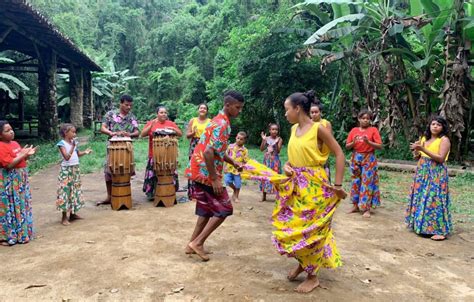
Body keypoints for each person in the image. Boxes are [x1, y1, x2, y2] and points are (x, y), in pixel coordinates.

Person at [241, 90, 347, 293]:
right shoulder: (292, 130)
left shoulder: (319, 128)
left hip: (315, 186)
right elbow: (293, 158)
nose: (285, 113)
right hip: (295, 186)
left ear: (297, 108)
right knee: (294, 226)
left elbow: (339, 153)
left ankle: (312, 276)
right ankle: (302, 262)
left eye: (286, 109)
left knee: (312, 229)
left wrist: (339, 186)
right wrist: (288, 166)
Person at [184, 90, 245, 261]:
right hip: (206, 172)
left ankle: (191, 244)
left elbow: (217, 150)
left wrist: (233, 162)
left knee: (205, 210)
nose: (239, 111)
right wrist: (214, 178)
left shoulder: (217, 121)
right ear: (227, 105)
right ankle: (198, 243)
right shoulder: (222, 125)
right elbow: (209, 152)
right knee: (225, 209)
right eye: (237, 107)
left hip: (198, 169)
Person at [406, 116, 452, 241]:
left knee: (434, 198)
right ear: (429, 126)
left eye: (438, 125)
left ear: (443, 127)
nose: (435, 126)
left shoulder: (444, 140)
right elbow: (418, 157)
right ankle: (421, 226)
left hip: (436, 172)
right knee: (421, 197)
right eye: (433, 124)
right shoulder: (424, 139)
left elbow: (441, 158)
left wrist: (423, 149)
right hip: (422, 171)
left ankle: (440, 230)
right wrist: (416, 150)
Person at [98, 95, 139, 206]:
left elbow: (137, 132)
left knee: (125, 171)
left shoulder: (132, 117)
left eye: (130, 105)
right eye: (126, 105)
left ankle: (123, 195)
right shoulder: (110, 114)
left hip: (126, 148)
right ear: (120, 103)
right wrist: (111, 133)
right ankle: (109, 196)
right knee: (109, 171)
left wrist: (129, 134)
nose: (129, 107)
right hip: (112, 146)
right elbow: (102, 128)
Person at [0, 120, 36, 246]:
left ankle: (22, 232)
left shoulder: (15, 143)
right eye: (7, 130)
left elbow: (20, 158)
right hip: (10, 181)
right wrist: (23, 154)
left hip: (21, 179)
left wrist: (27, 154)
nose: (11, 132)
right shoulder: (1, 146)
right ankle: (10, 235)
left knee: (21, 204)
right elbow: (9, 164)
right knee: (11, 206)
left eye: (11, 129)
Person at [140, 106, 183, 200]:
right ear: (157, 114)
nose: (164, 114)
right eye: (161, 112)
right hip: (154, 154)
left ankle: (169, 190)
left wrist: (174, 129)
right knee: (154, 173)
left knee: (167, 174)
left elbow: (180, 134)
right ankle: (152, 193)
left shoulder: (171, 123)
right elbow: (142, 134)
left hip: (168, 156)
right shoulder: (152, 123)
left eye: (165, 113)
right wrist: (151, 126)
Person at [345, 109, 382, 218]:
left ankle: (366, 208)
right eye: (363, 118)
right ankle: (355, 205)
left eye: (368, 119)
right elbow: (347, 146)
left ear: (370, 120)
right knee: (356, 181)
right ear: (359, 119)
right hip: (356, 157)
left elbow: (379, 146)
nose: (365, 120)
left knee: (367, 182)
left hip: (369, 157)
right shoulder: (354, 130)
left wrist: (368, 142)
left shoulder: (373, 130)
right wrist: (354, 142)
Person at [56, 124, 92, 226]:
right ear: (65, 133)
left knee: (75, 191)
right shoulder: (61, 144)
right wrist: (72, 146)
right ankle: (64, 217)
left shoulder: (73, 143)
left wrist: (85, 152)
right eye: (73, 132)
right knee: (65, 192)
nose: (75, 134)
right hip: (66, 171)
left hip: (75, 169)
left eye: (75, 132)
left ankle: (73, 214)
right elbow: (67, 157)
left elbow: (77, 154)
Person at [186, 103, 211, 200]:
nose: (202, 109)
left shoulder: (210, 121)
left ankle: (203, 193)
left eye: (204, 108)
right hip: (194, 144)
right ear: (198, 110)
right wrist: (192, 133)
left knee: (204, 168)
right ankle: (192, 193)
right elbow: (187, 135)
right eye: (201, 108)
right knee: (193, 167)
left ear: (207, 111)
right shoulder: (193, 120)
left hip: (205, 145)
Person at [259, 123, 282, 201]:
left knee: (275, 177)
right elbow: (261, 149)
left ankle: (277, 196)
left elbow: (278, 151)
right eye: (273, 129)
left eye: (276, 129)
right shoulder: (267, 138)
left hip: (275, 160)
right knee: (265, 176)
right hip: (267, 160)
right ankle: (264, 195)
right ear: (269, 130)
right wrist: (264, 140)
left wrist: (275, 144)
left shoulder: (279, 139)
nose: (274, 131)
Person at [310, 102, 333, 182]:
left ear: (320, 112)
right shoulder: (307, 124)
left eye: (316, 112)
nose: (314, 114)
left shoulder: (326, 123)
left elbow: (330, 139)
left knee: (325, 176)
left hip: (323, 154)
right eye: (312, 112)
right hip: (311, 154)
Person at [224, 131, 249, 202]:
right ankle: (234, 189)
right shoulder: (230, 146)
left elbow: (245, 161)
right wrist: (225, 167)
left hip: (238, 170)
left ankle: (236, 196)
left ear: (244, 140)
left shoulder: (245, 150)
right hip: (229, 168)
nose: (239, 140)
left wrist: (243, 167)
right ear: (236, 138)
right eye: (238, 138)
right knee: (227, 181)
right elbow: (225, 157)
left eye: (241, 139)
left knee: (238, 184)